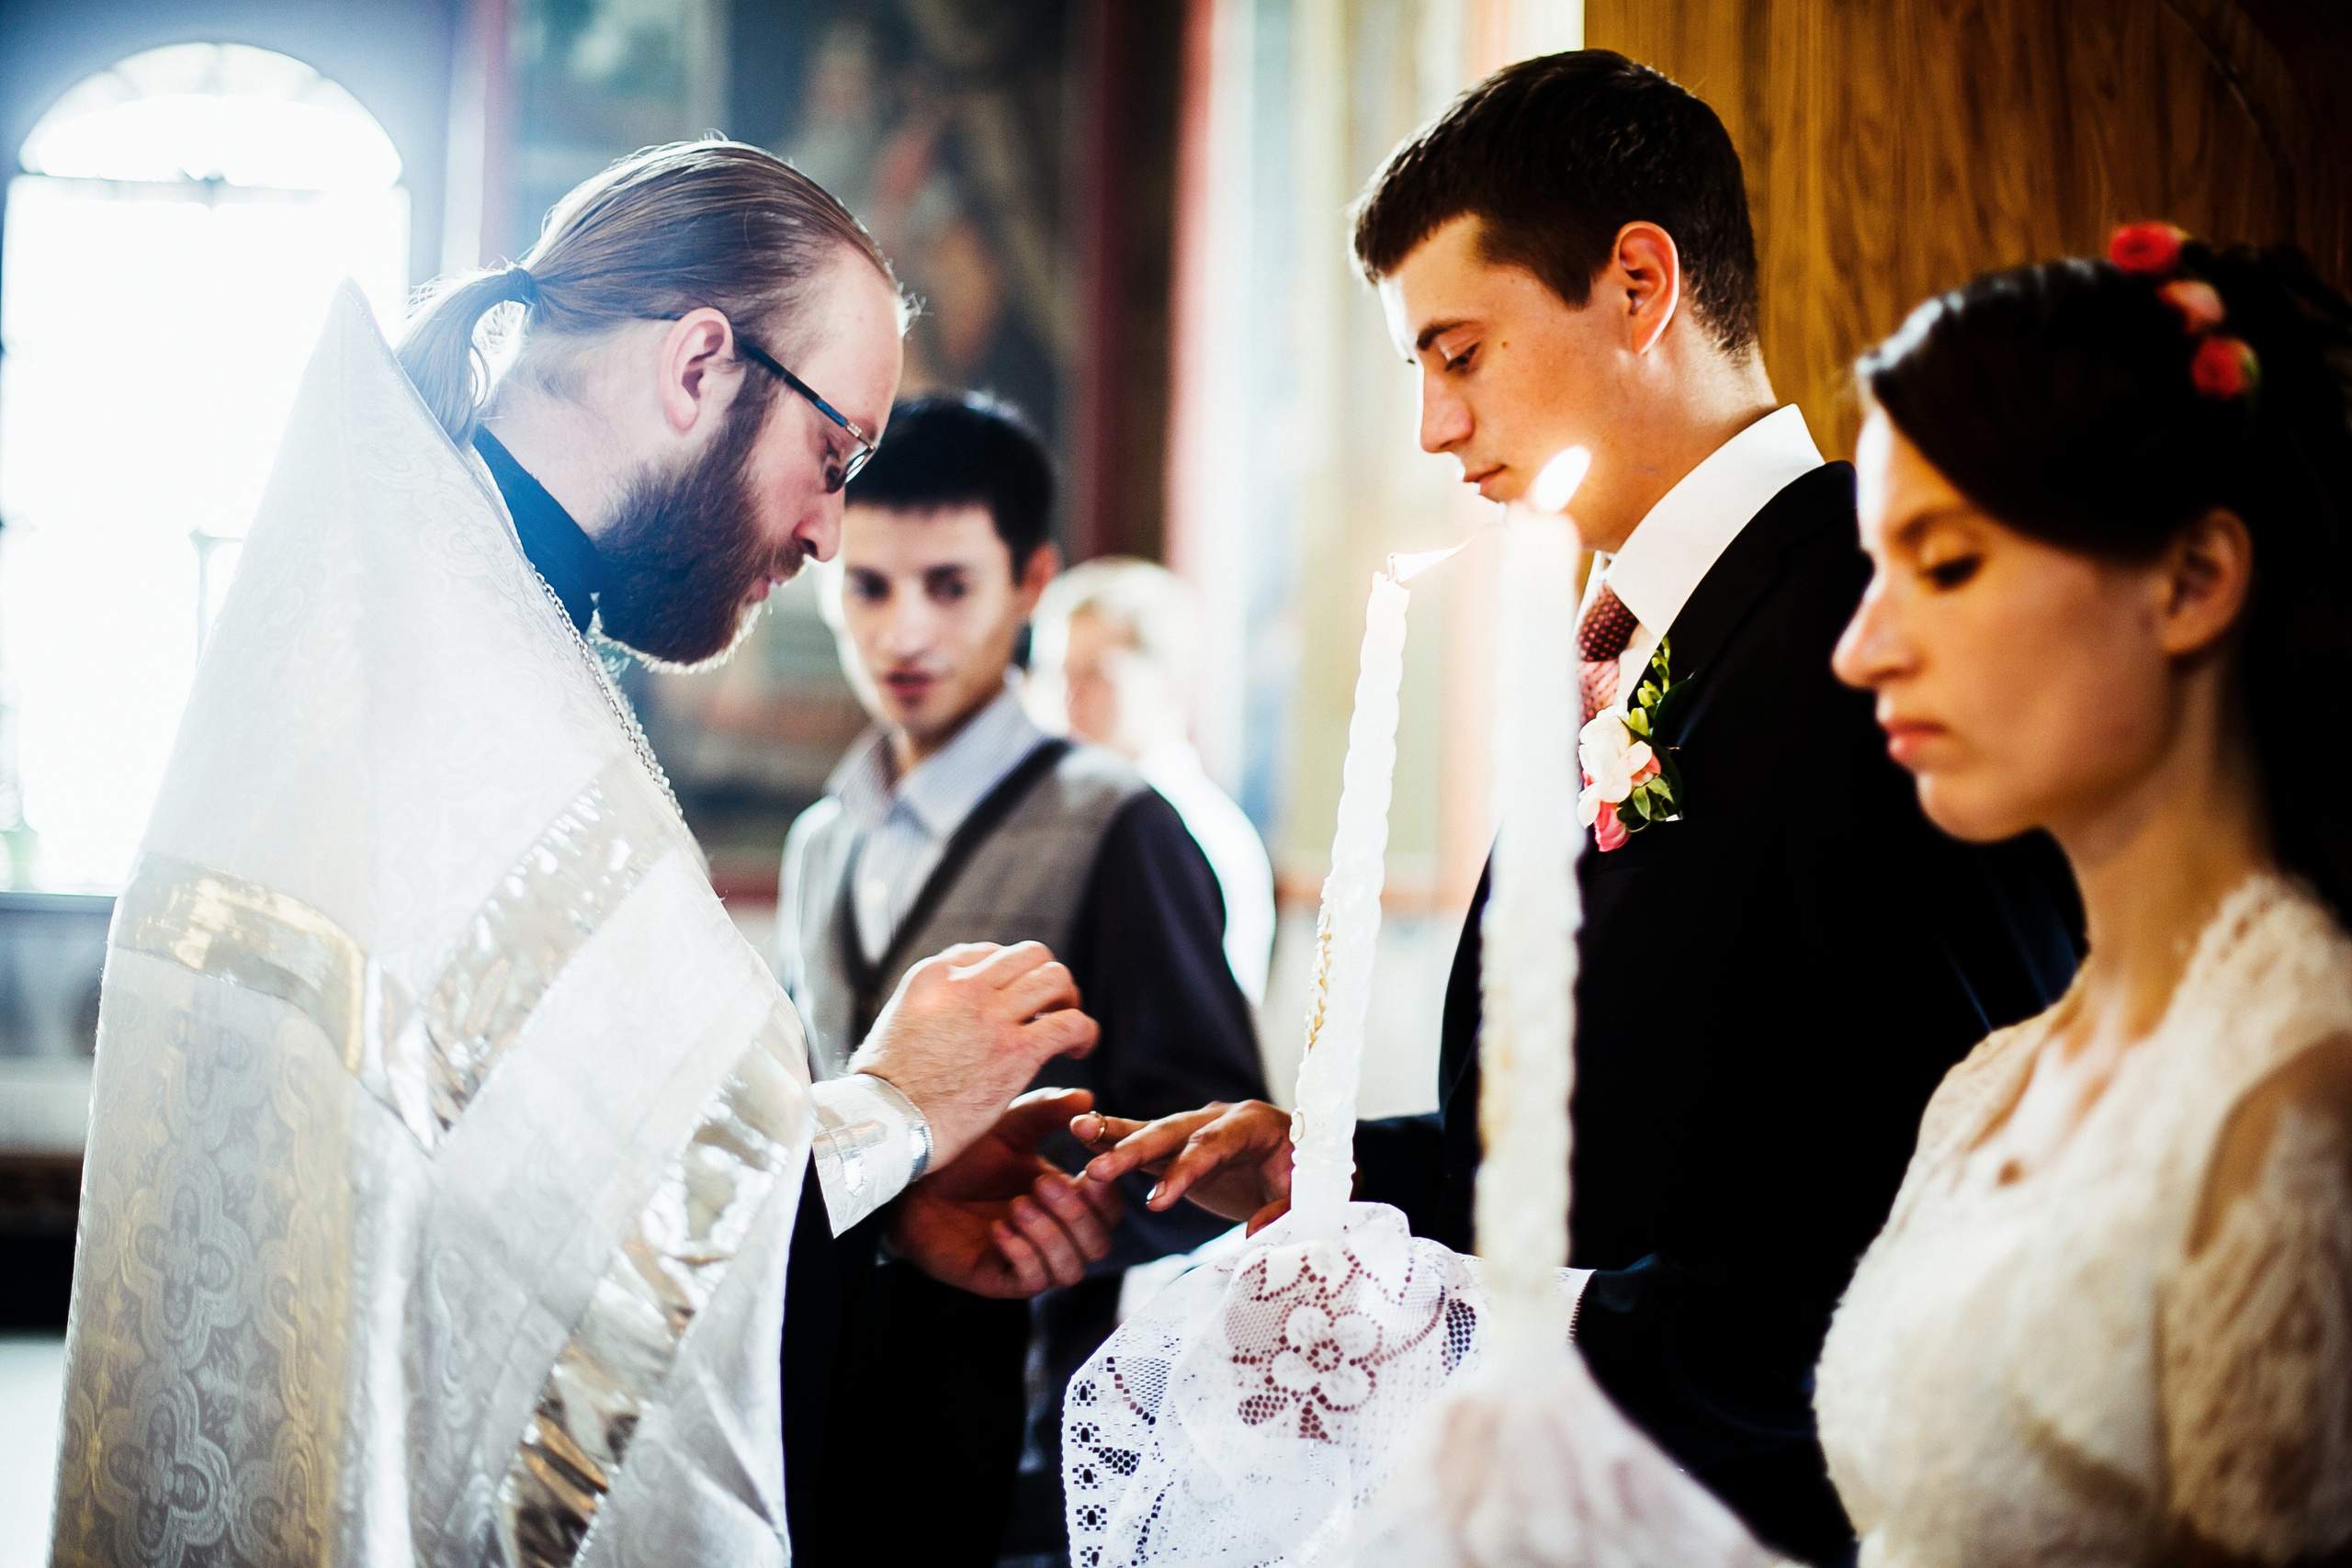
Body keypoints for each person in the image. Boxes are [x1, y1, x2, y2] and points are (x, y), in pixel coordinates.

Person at [1067, 52, 2082, 1563]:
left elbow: (1931, 1193)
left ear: (1637, 283)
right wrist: (1346, 1169)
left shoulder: (1871, 632)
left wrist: (1488, 1351)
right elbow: (1629, 1130)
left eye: (1459, 353)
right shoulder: (1644, 636)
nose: (1432, 425)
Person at [48, 140, 1117, 1566]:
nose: (824, 529)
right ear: (697, 367)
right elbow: (516, 1279)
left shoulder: (450, 616)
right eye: (835, 454)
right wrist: (887, 1110)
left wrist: (872, 1199)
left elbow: (518, 1242)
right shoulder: (448, 687)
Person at [1371, 231, 2352, 1568]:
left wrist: (1511, 1341)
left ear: (2188, 581)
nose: (1864, 641)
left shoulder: (2302, 1111)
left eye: (1944, 565)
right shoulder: (1995, 1088)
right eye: (1879, 566)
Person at [775, 395, 1267, 1563]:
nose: (903, 634)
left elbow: (1207, 1133)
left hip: (1023, 1430)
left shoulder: (1121, 823)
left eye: (948, 586)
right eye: (869, 587)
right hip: (830, 1403)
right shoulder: (820, 842)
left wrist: (1058, 1219)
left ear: (1031, 579)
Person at [1028, 555, 1276, 1006]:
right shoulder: (1056, 814)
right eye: (1060, 676)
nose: (1068, 698)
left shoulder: (1202, 833)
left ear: (1169, 680)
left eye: (1094, 675)